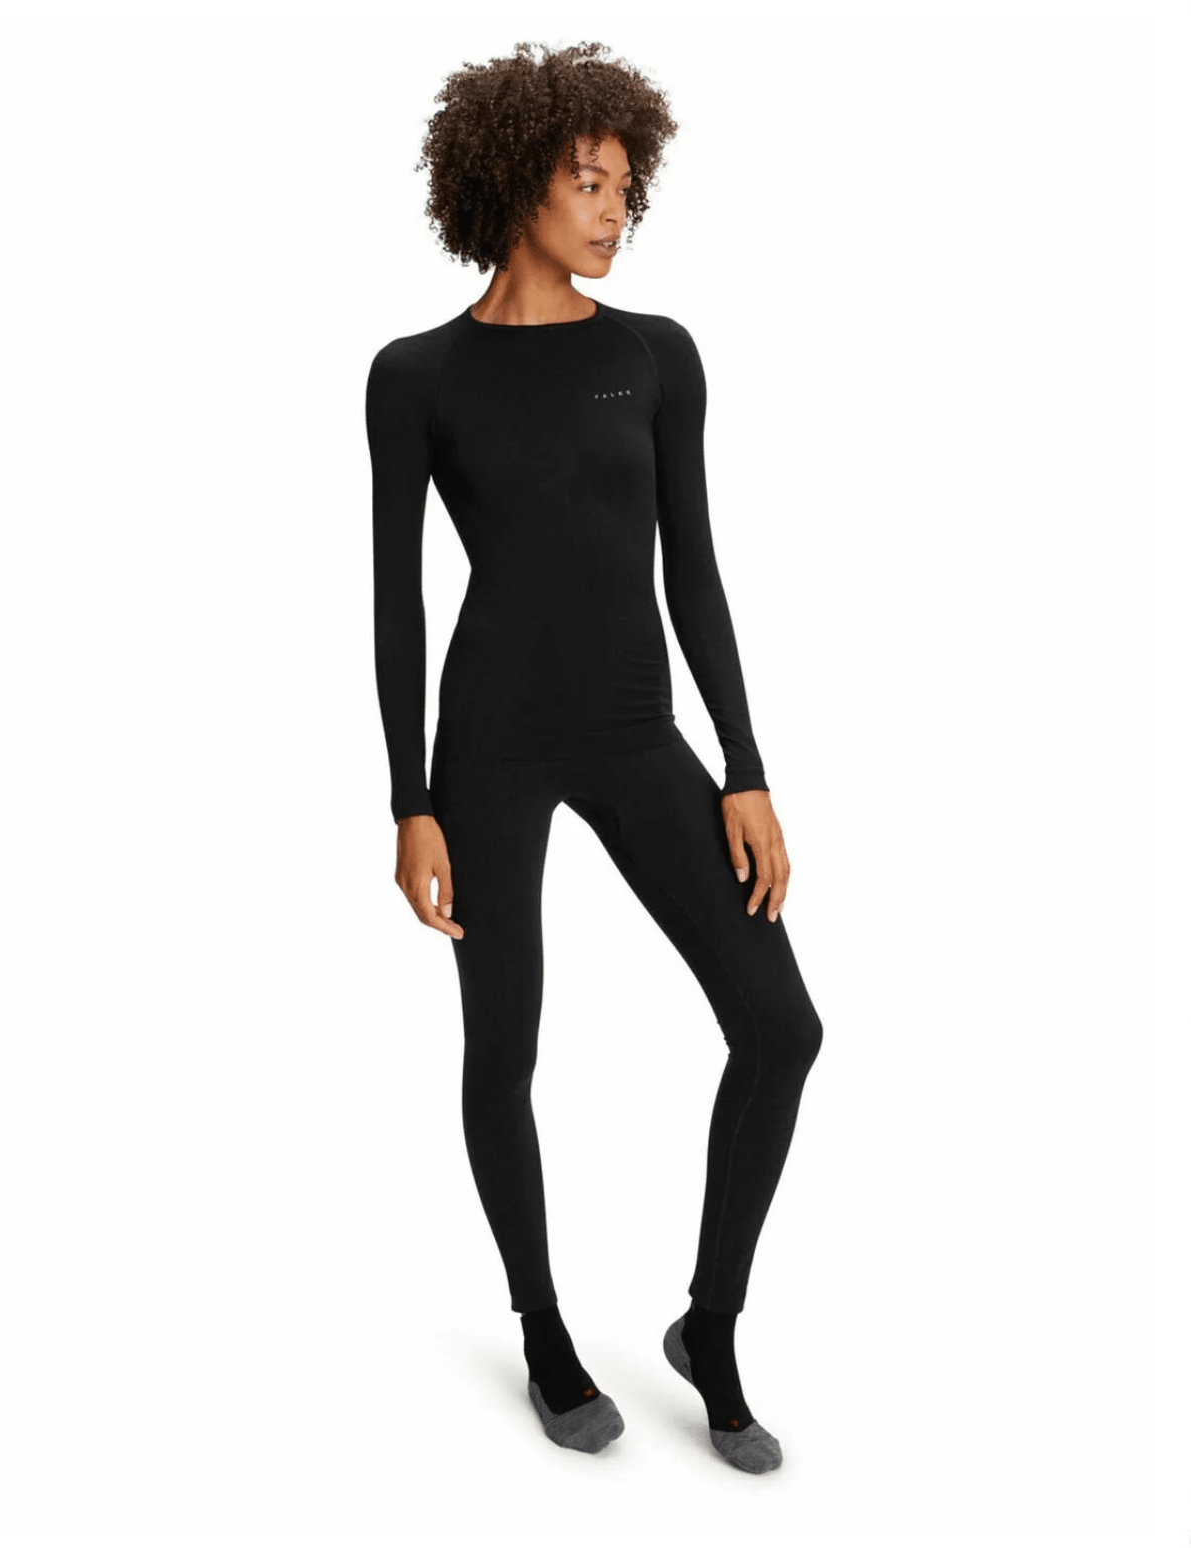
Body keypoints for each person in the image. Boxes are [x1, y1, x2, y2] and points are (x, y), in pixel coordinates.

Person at [365, 40, 823, 1474]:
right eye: (587, 182)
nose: (615, 209)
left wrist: (744, 766)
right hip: (490, 745)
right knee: (503, 1045)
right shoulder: (416, 376)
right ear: (516, 182)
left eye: (626, 184)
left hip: (636, 729)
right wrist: (412, 802)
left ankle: (711, 1325)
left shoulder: (655, 356)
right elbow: (396, 601)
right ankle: (544, 1332)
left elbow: (697, 573)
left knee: (782, 1027)